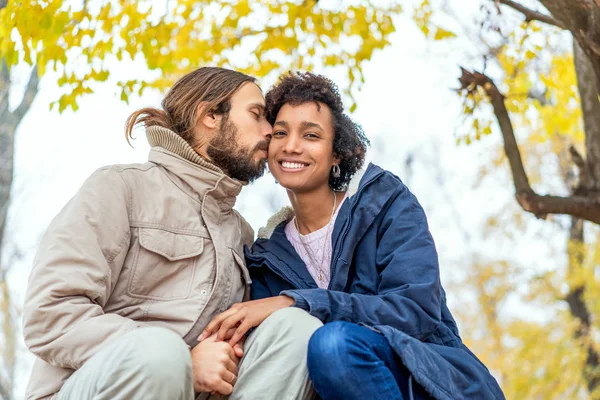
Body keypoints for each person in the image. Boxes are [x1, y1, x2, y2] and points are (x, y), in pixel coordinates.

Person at [200, 72, 506, 400]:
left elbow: (416, 311)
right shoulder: (265, 256)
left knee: (332, 346)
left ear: (337, 154)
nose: (292, 145)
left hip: (426, 383)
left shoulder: (385, 203)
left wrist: (296, 302)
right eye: (280, 133)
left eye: (311, 135)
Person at [22, 67, 321, 400]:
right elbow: (49, 314)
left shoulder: (241, 233)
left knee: (297, 329)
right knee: (160, 353)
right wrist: (185, 360)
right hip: (91, 386)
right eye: (256, 115)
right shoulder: (120, 188)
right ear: (209, 114)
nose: (269, 132)